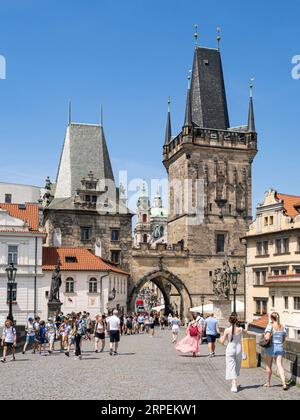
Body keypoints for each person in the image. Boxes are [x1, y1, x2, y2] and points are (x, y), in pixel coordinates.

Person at [220, 314, 248, 393]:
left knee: (231, 366)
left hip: (230, 348)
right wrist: (247, 325)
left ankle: (234, 384)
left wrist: (221, 337)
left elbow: (222, 342)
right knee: (237, 366)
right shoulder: (240, 329)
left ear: (229, 321)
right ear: (236, 321)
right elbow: (246, 331)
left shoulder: (227, 330)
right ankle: (234, 382)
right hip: (238, 348)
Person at [264, 312, 288, 390]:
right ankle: (284, 383)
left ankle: (268, 383)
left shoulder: (270, 326)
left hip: (271, 347)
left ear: (271, 318)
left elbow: (267, 338)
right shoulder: (283, 327)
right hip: (279, 347)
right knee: (280, 365)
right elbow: (283, 339)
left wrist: (265, 335)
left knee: (268, 365)